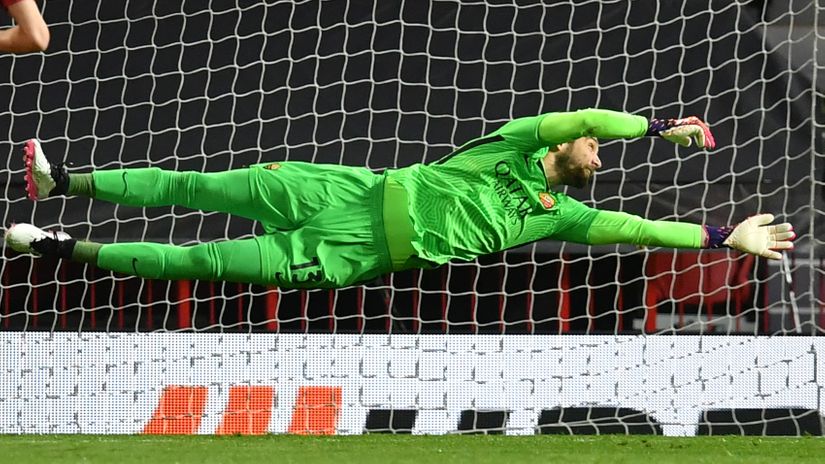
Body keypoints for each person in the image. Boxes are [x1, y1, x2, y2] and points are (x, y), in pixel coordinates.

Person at [5, 109, 795, 288]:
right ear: (565, 143)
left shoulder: (561, 214)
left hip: (353, 250)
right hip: (350, 188)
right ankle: (65, 181)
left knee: (201, 261)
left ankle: (62, 245)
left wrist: (723, 237)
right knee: (201, 184)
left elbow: (639, 230)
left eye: (602, 145)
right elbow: (586, 116)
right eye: (594, 143)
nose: (599, 148)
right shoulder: (513, 144)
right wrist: (655, 128)